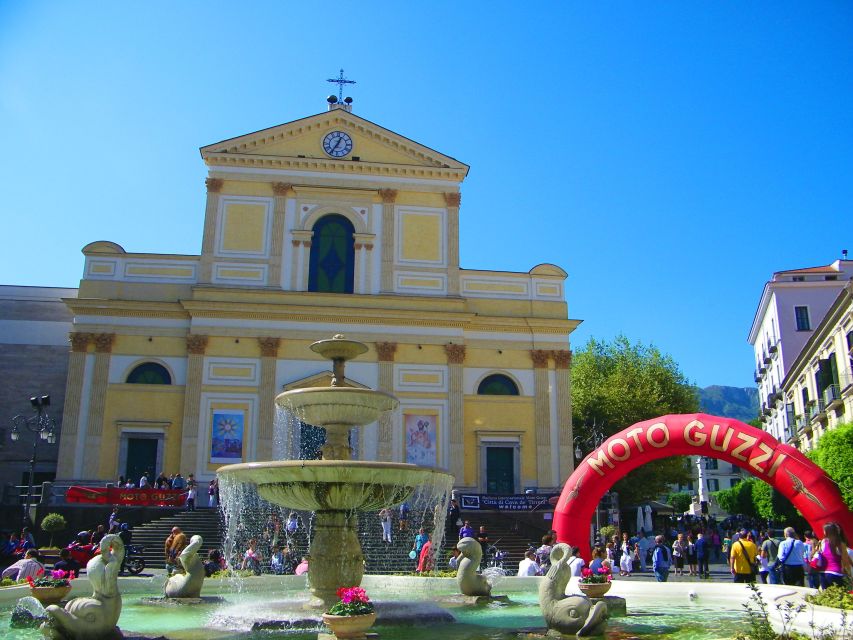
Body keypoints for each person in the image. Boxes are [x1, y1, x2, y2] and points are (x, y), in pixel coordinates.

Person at [814, 522, 853, 589]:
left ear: (826, 532)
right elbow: (846, 561)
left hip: (823, 573)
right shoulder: (840, 544)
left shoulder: (823, 542)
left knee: (826, 596)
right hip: (836, 573)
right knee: (840, 596)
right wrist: (849, 575)